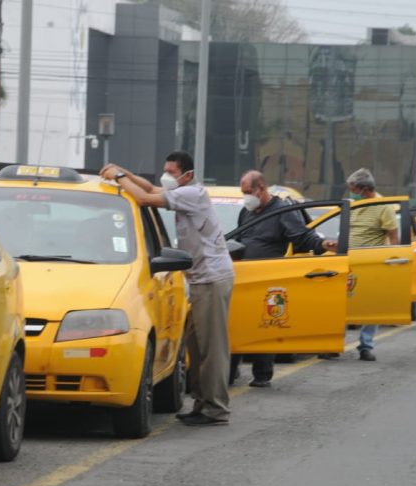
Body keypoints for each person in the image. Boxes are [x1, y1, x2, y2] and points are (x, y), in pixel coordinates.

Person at [100, 152, 234, 426]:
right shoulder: (183, 190)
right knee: (196, 348)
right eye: (165, 171)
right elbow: (149, 188)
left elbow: (144, 198)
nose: (166, 176)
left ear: (187, 174)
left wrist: (119, 177)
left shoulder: (192, 194)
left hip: (211, 279)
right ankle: (201, 402)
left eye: (171, 172)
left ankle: (216, 408)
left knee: (212, 348)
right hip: (199, 279)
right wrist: (120, 169)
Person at [232, 170, 337, 387]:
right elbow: (237, 238)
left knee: (264, 324)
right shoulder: (246, 212)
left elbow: (303, 236)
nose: (246, 197)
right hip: (242, 276)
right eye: (243, 193)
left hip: (267, 277)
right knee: (237, 324)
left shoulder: (282, 211)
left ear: (262, 189)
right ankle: (230, 372)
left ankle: (262, 374)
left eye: (248, 192)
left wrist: (323, 245)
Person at [345, 167, 399, 361]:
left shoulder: (383, 206)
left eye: (353, 189)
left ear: (364, 189)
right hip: (349, 261)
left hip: (372, 262)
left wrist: (394, 260)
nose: (351, 193)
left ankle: (365, 345)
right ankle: (333, 343)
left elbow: (393, 235)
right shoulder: (353, 206)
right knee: (342, 303)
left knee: (371, 305)